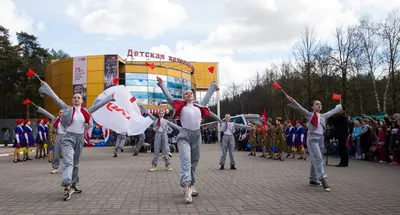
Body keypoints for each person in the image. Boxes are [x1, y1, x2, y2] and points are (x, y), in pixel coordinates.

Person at [39, 81, 113, 201]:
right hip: (68, 138)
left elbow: (99, 105)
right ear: (72, 100)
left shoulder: (86, 112)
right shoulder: (67, 109)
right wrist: (45, 86)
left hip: (79, 139)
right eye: (74, 98)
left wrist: (111, 97)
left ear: (82, 101)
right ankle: (67, 186)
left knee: (76, 163)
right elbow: (55, 98)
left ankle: (74, 184)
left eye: (78, 98)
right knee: (68, 161)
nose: (76, 99)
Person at [156, 76, 217, 204]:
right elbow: (169, 98)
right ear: (184, 97)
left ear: (193, 96)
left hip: (197, 135)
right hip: (184, 136)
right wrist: (162, 85)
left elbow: (207, 96)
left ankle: (192, 183)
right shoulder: (180, 106)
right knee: (185, 160)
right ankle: (186, 186)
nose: (189, 94)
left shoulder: (199, 106)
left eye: (190, 93)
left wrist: (212, 86)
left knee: (194, 161)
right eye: (186, 93)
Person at [286, 96, 342, 192]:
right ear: (313, 107)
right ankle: (323, 178)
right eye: (317, 104)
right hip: (312, 139)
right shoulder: (309, 115)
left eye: (320, 104)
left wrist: (339, 107)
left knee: (315, 159)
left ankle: (313, 179)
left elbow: (333, 111)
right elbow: (300, 108)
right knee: (319, 158)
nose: (319, 105)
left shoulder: (323, 116)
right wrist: (293, 100)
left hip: (321, 139)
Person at [37, 107, 65, 174]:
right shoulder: (57, 120)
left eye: (62, 113)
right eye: (60, 113)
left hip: (66, 137)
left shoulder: (68, 120)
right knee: (56, 153)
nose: (61, 114)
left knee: (66, 154)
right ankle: (55, 168)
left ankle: (67, 168)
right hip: (59, 136)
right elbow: (53, 129)